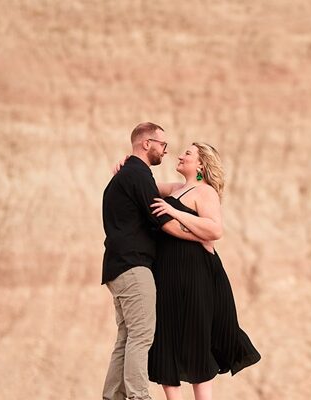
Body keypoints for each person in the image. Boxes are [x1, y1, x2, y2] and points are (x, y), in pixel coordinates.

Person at [117, 142, 260, 400]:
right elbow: (141, 185)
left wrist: (174, 212)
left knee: (196, 339)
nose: (181, 156)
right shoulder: (176, 188)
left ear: (201, 165)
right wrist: (129, 165)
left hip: (195, 275)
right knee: (165, 339)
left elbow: (215, 231)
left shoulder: (205, 193)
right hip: (167, 274)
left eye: (188, 154)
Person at [101, 122, 194, 400]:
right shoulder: (138, 175)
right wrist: (197, 234)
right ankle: (139, 396)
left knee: (126, 338)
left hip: (116, 268)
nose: (165, 152)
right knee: (142, 336)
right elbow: (164, 223)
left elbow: (170, 189)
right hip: (133, 268)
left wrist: (190, 186)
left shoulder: (129, 175)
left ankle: (113, 396)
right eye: (162, 145)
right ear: (146, 143)